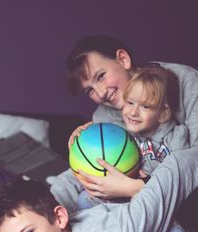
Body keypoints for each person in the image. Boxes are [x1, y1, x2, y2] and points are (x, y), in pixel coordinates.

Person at [0, 146, 198, 232]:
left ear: (60, 217)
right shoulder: (50, 228)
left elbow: (182, 163)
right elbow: (62, 184)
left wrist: (135, 186)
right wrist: (83, 153)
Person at [48, 35, 198, 211]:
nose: (101, 93)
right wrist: (50, 204)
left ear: (123, 59)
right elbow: (91, 170)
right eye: (89, 90)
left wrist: (137, 187)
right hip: (147, 203)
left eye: (101, 76)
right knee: (84, 199)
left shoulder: (184, 81)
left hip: (185, 201)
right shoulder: (104, 117)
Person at [75, 64, 198, 232]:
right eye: (130, 103)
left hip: (162, 199)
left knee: (170, 221)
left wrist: (140, 185)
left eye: (145, 107)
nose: (133, 112)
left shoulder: (177, 137)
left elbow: (177, 178)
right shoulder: (128, 138)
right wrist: (84, 136)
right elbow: (107, 157)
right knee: (84, 200)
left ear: (163, 114)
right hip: (129, 198)